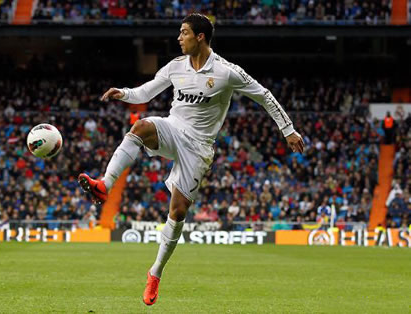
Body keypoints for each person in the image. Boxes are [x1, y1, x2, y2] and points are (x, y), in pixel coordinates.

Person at [78, 13, 304, 306]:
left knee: (178, 211)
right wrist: (124, 93)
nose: (178, 38)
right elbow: (147, 91)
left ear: (200, 37)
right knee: (140, 127)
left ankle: (155, 273)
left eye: (184, 33)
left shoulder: (226, 72)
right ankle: (104, 185)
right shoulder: (176, 67)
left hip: (199, 147)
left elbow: (264, 95)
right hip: (173, 129)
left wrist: (288, 129)